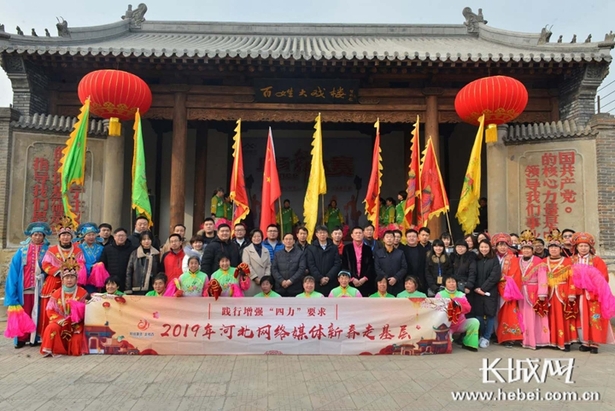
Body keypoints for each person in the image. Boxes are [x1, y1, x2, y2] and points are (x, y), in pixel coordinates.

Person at [4, 222, 51, 348]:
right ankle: (21, 338)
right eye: (35, 235)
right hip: (24, 289)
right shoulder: (22, 251)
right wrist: (12, 292)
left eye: (40, 235)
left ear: (44, 236)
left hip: (40, 288)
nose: (37, 237)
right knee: (23, 313)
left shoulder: (48, 251)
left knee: (38, 313)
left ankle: (34, 338)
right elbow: (13, 271)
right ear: (31, 236)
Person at [571, 232, 615, 354]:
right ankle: (585, 342)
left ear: (590, 247)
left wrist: (592, 287)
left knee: (595, 318)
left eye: (586, 246)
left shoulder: (597, 260)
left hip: (594, 294)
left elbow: (603, 277)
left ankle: (595, 343)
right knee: (581, 317)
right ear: (576, 247)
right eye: (581, 246)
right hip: (578, 294)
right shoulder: (572, 260)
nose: (583, 248)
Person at [40, 217, 85, 337]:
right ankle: (49, 334)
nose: (65, 237)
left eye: (68, 235)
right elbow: (45, 264)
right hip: (54, 281)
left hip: (72, 281)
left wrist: (72, 274)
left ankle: (71, 333)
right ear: (59, 237)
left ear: (72, 237)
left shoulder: (77, 250)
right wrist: (58, 272)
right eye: (63, 235)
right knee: (52, 307)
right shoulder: (52, 250)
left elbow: (81, 265)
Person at [40, 257, 88, 357]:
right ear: (62, 279)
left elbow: (87, 311)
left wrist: (77, 319)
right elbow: (50, 310)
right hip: (61, 321)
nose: (69, 280)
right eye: (66, 277)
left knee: (77, 341)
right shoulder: (56, 293)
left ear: (76, 279)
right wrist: (60, 320)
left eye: (72, 277)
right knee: (51, 328)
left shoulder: (83, 293)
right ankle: (53, 350)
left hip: (77, 323)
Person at [544, 229, 577, 351]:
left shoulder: (567, 262)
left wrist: (571, 293)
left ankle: (565, 341)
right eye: (551, 247)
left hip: (563, 293)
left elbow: (572, 279)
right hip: (548, 293)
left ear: (560, 249)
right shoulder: (543, 262)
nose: (553, 249)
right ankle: (552, 341)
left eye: (556, 247)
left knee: (564, 318)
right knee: (550, 317)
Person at [517, 230, 550, 350]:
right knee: (523, 316)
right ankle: (524, 339)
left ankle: (538, 340)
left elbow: (543, 278)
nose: (526, 251)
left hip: (534, 291)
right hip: (521, 292)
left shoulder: (538, 262)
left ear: (532, 250)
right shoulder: (518, 261)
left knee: (535, 316)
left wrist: (542, 293)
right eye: (524, 248)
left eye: (528, 249)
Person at [491, 233, 523, 347]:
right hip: (493, 288)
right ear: (496, 246)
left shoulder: (512, 258)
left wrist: (504, 284)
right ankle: (496, 334)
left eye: (504, 245)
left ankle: (508, 336)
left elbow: (515, 274)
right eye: (500, 245)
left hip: (507, 290)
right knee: (494, 313)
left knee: (508, 313)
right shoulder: (492, 256)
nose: (502, 247)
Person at [471, 239, 501, 348]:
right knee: (478, 315)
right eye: (482, 247)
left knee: (490, 315)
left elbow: (494, 276)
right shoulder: (476, 259)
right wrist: (475, 288)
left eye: (486, 247)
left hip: (490, 291)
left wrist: (483, 288)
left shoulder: (494, 260)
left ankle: (487, 337)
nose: (484, 249)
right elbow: (472, 274)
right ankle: (481, 335)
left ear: (490, 247)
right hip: (477, 291)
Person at [436, 276, 480, 352]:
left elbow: (468, 308)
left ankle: (468, 344)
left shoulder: (461, 294)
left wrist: (458, 305)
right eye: (449, 282)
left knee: (474, 322)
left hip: (460, 323)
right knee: (445, 348)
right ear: (445, 284)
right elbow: (437, 310)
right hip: (446, 325)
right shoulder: (439, 295)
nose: (451, 284)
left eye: (453, 282)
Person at [305, 225, 342, 296]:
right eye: (320, 233)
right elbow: (311, 265)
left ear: (327, 234)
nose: (322, 234)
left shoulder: (334, 248)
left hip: (331, 281)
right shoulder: (311, 248)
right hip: (317, 282)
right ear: (316, 234)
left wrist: (328, 277)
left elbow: (337, 264)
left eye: (324, 232)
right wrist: (320, 278)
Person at [342, 226, 375, 297]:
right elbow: (344, 265)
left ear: (363, 234)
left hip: (365, 282)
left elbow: (371, 265)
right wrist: (352, 278)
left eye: (360, 233)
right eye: (356, 233)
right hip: (350, 281)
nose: (358, 235)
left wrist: (365, 278)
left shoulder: (368, 249)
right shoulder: (347, 248)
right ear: (352, 235)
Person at [125, 231, 160, 295]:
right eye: (144, 239)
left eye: (149, 239)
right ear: (140, 241)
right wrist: (128, 288)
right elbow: (129, 272)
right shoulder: (134, 254)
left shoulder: (156, 254)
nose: (146, 241)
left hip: (152, 287)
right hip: (137, 287)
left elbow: (159, 271)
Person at [374, 230, 407, 296]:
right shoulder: (378, 253)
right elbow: (377, 268)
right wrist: (386, 278)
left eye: (391, 237)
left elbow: (404, 268)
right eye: (387, 237)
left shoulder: (400, 253)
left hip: (397, 283)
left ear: (394, 239)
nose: (389, 239)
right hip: (383, 284)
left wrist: (395, 278)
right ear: (383, 239)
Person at [272, 233, 306, 297]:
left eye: (290, 239)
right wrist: (281, 281)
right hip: (280, 288)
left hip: (295, 288)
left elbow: (302, 269)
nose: (288, 241)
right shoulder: (278, 254)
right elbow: (274, 269)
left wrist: (291, 281)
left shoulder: (300, 254)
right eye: (286, 239)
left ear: (294, 241)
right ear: (283, 241)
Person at [100, 228, 133, 292]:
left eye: (123, 236)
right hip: (111, 281)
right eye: (119, 236)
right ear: (114, 237)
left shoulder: (132, 249)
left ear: (126, 237)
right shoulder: (107, 249)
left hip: (126, 280)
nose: (121, 237)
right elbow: (103, 264)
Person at [242, 229, 272, 297]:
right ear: (251, 238)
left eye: (259, 236)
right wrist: (255, 278)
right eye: (254, 236)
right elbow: (247, 265)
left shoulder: (266, 250)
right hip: (252, 280)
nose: (257, 238)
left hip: (264, 282)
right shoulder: (247, 250)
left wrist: (265, 278)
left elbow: (268, 265)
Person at [77, 222, 104, 293]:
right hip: (83, 276)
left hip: (96, 276)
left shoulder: (101, 248)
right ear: (84, 236)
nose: (91, 237)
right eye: (89, 235)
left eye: (93, 235)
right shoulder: (78, 248)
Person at [403, 229, 427, 293]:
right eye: (409, 236)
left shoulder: (423, 250)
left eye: (413, 236)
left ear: (417, 237)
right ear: (406, 238)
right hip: (406, 281)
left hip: (421, 280)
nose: (411, 238)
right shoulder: (402, 250)